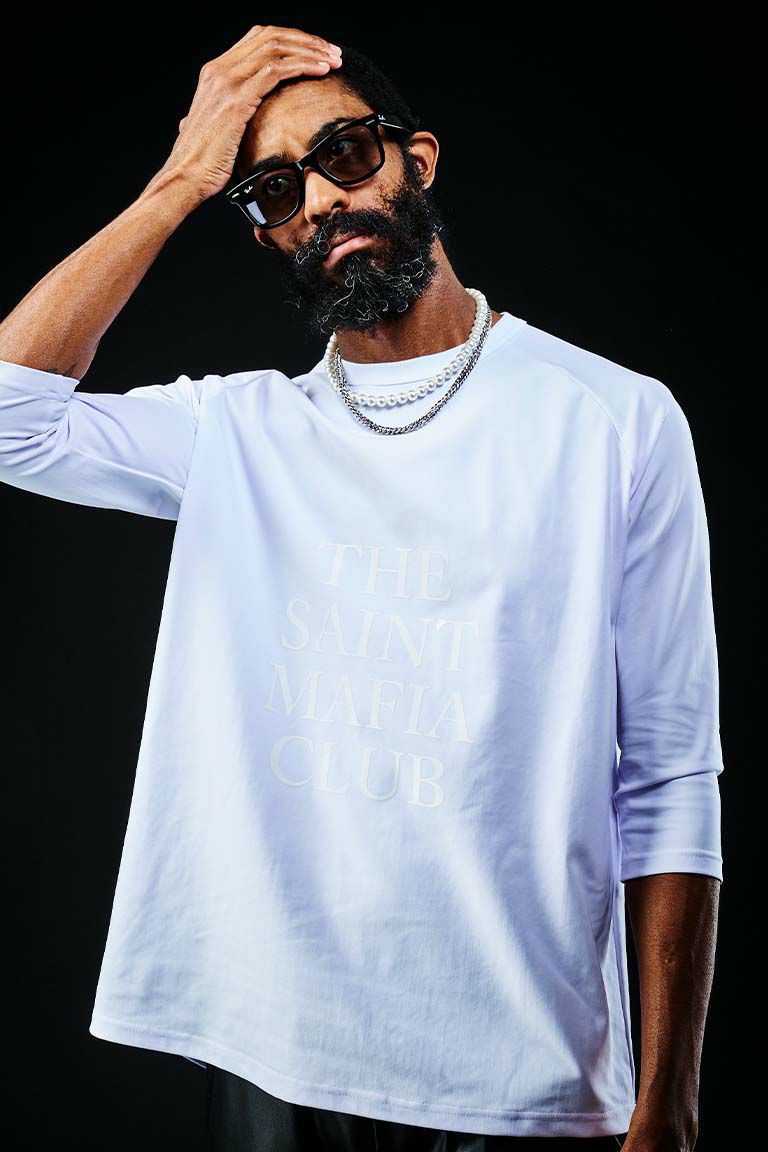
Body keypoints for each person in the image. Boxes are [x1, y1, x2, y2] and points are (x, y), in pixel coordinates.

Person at [0, 25, 723, 1152]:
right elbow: (11, 418)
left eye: (344, 154)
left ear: (416, 159)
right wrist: (181, 181)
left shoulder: (614, 419)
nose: (323, 201)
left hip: (522, 1071)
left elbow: (670, 773)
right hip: (277, 1054)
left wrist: (667, 1104)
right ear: (265, 232)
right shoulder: (239, 432)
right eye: (275, 190)